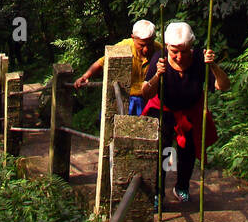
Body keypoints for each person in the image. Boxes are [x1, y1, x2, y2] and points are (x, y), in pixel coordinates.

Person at [140, 20, 230, 206]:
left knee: (188, 151)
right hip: (164, 109)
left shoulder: (200, 58)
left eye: (184, 51)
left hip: (190, 111)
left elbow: (223, 86)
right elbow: (146, 92)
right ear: (167, 47)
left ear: (191, 46)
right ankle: (158, 190)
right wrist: (158, 75)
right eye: (175, 51)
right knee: (164, 151)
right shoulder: (160, 58)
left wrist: (213, 65)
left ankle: (181, 186)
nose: (179, 56)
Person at [74, 20, 157, 115]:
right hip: (125, 99)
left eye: (149, 44)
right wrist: (85, 76)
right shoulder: (124, 47)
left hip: (148, 101)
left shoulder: (158, 50)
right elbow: (102, 62)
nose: (146, 49)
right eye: (141, 45)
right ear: (133, 38)